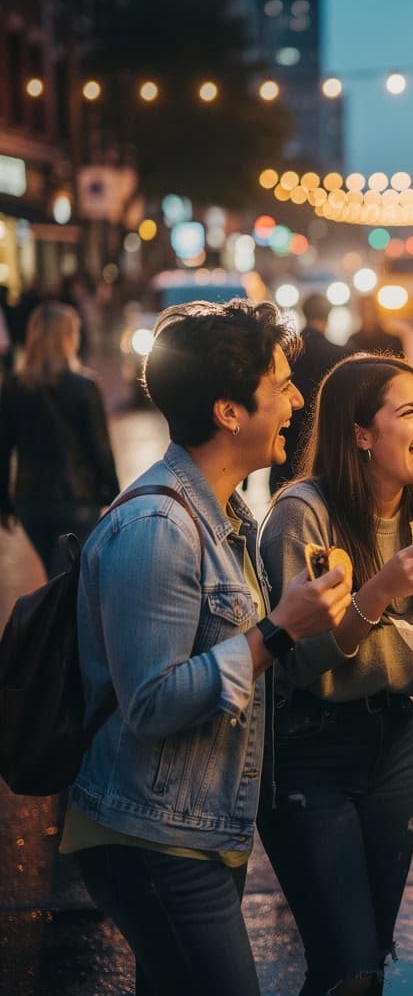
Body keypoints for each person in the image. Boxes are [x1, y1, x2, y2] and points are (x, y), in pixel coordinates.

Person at [60, 298, 352, 996]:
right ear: (229, 411)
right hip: (153, 838)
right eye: (281, 385)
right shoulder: (160, 526)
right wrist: (279, 629)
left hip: (194, 828)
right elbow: (152, 703)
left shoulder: (225, 514)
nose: (296, 400)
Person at [258, 353, 413, 996]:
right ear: (360, 434)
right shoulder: (304, 515)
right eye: (408, 412)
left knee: (366, 960)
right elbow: (295, 661)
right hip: (307, 745)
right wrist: (379, 589)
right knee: (347, 969)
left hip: (392, 745)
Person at [0, 301, 119, 576]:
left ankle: (52, 617)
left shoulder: (15, 387)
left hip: (31, 500)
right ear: (69, 337)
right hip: (77, 499)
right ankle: (53, 620)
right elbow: (99, 448)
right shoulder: (84, 387)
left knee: (56, 578)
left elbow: (4, 448)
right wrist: (113, 493)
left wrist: (5, 501)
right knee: (66, 582)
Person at [269, 292, 352, 494]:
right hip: (323, 452)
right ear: (328, 316)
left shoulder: (283, 353)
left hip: (285, 445)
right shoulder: (340, 355)